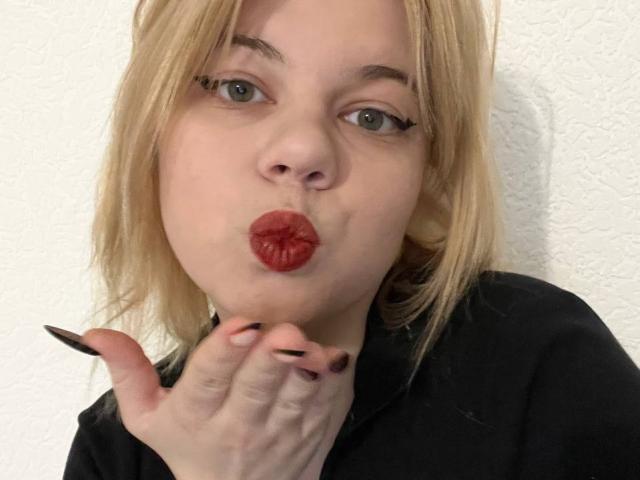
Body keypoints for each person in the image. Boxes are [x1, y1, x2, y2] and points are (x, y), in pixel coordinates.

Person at [45, 0, 640, 478]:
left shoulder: (538, 362)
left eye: (372, 116)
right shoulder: (116, 452)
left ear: (426, 173)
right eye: (239, 88)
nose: (304, 151)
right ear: (152, 126)